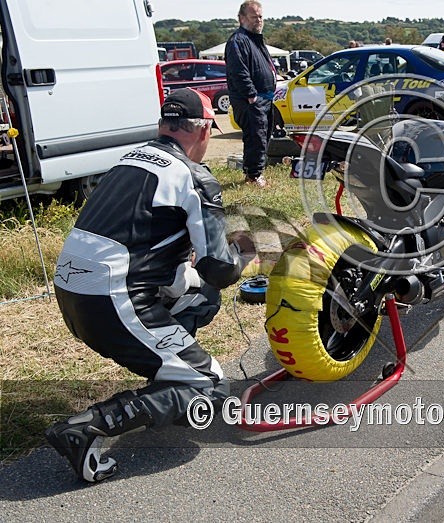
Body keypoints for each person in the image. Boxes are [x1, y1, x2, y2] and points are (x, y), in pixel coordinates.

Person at [45, 88, 254, 483]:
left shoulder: (130, 158)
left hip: (74, 293)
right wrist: (244, 252)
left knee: (201, 300)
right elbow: (219, 269)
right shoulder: (194, 177)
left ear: (164, 125)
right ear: (204, 130)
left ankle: (167, 376)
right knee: (210, 390)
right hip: (114, 300)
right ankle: (87, 428)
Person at [225, 0, 278, 188]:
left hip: (265, 98)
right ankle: (254, 176)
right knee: (255, 136)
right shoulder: (238, 41)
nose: (259, 20)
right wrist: (251, 95)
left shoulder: (256, 39)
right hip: (251, 100)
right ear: (241, 18)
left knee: (263, 136)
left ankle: (256, 172)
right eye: (254, 17)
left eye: (260, 17)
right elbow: (238, 71)